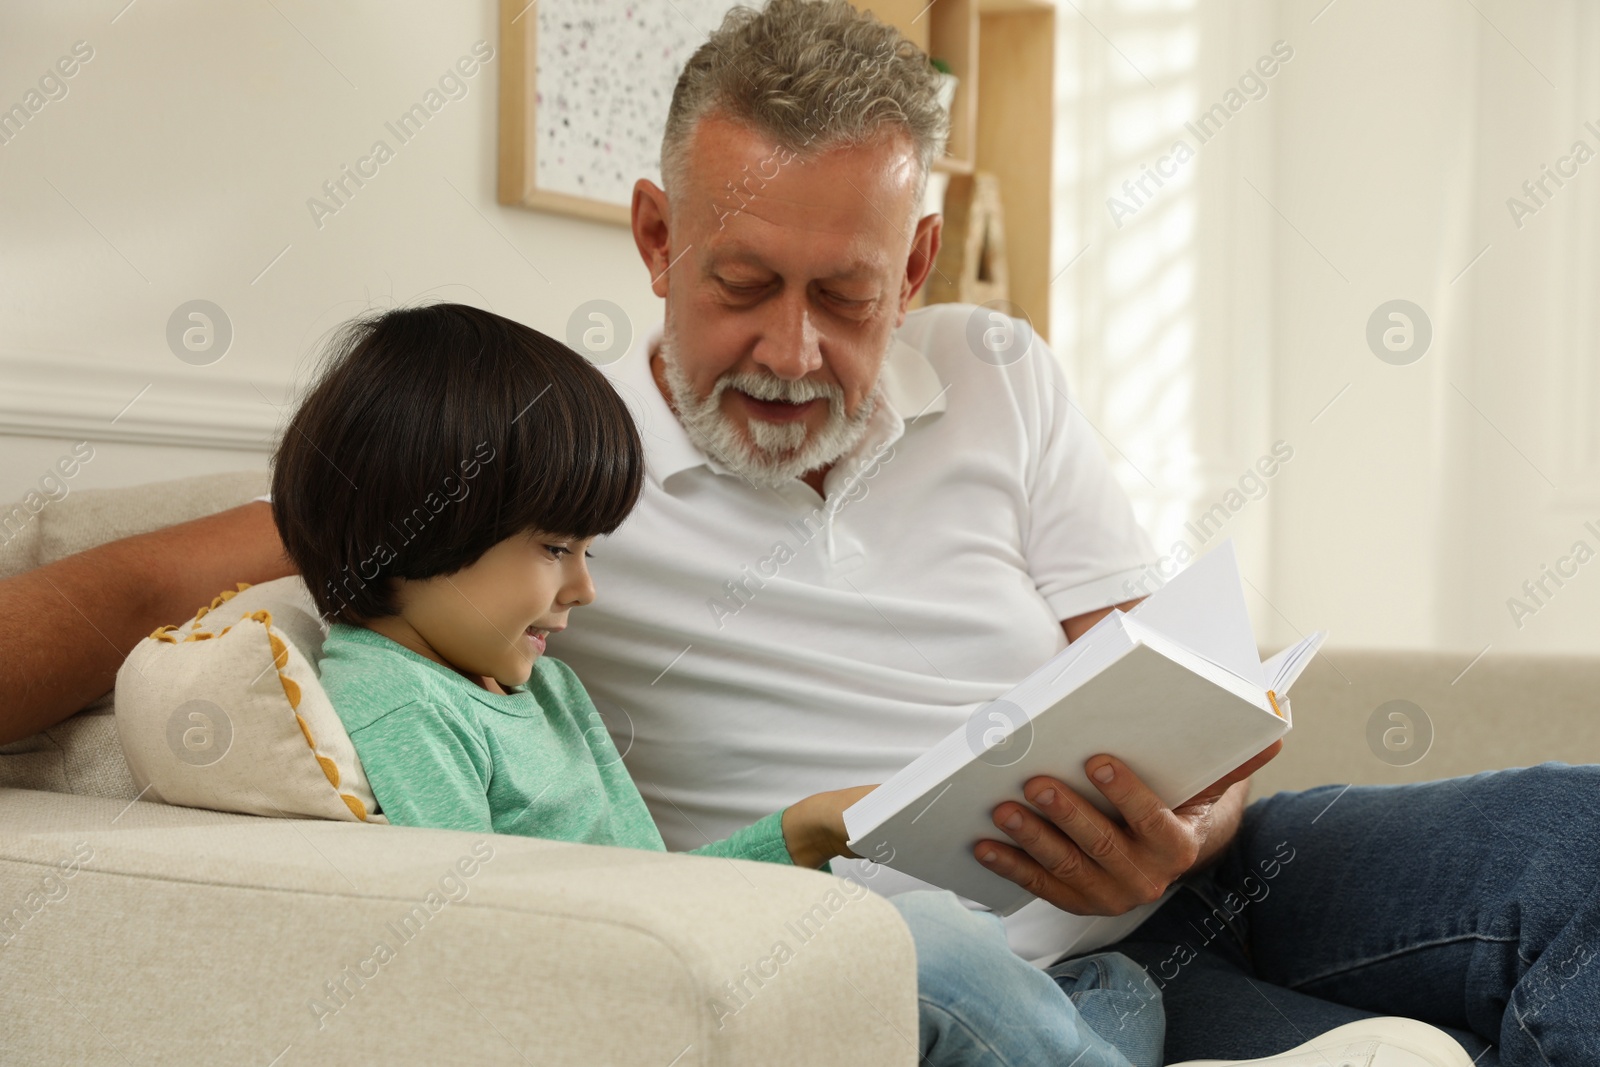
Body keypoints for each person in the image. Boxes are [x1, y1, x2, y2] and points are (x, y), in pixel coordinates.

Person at [4, 0, 1591, 1062]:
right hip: (918, 961)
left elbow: (1155, 675)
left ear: (913, 267)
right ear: (652, 233)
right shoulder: (540, 469)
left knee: (1572, 836)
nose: (788, 351)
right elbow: (149, 581)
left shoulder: (1001, 373)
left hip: (1176, 887)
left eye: (845, 295)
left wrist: (1199, 821)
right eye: (740, 282)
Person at [268, 300, 1171, 1067]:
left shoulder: (538, 689)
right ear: (424, 523)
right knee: (930, 952)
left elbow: (665, 889)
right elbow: (469, 954)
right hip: (637, 1018)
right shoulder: (395, 695)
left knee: (1061, 972)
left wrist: (807, 826)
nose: (584, 587)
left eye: (588, 550)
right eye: (555, 550)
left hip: (679, 965)